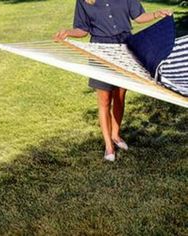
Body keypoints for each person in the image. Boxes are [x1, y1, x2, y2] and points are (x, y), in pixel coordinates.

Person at [54, 0, 172, 161]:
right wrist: (68, 32)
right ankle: (109, 146)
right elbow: (83, 30)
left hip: (125, 48)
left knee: (120, 96)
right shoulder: (84, 0)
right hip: (101, 51)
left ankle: (116, 135)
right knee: (104, 100)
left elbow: (139, 16)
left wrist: (157, 14)